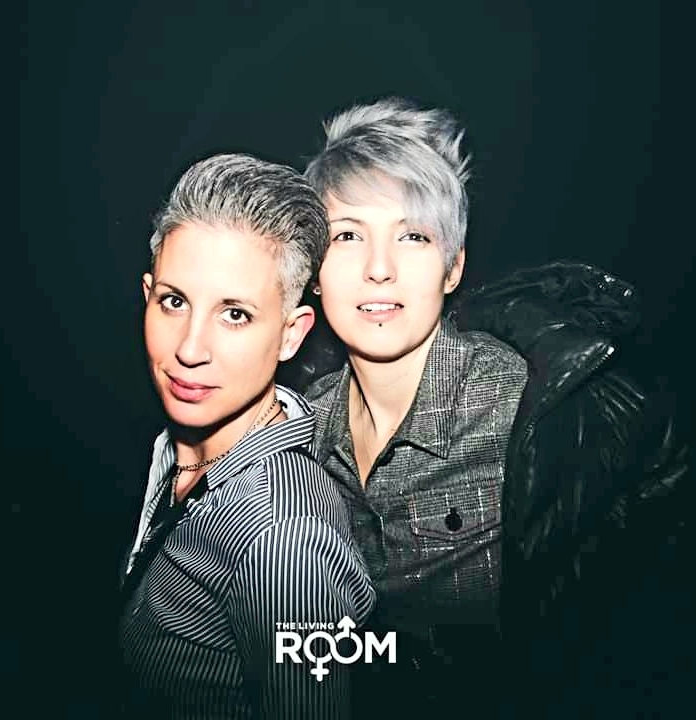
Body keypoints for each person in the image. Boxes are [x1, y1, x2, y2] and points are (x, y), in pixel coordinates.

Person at [295, 97, 689, 716]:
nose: (379, 268)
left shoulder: (533, 411)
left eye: (413, 236)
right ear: (314, 271)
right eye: (348, 235)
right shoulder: (297, 431)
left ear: (453, 267)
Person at [118, 153, 376, 719]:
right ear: (147, 295)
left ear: (290, 335)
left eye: (234, 314)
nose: (190, 349)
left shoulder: (285, 539)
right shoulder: (177, 447)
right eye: (174, 302)